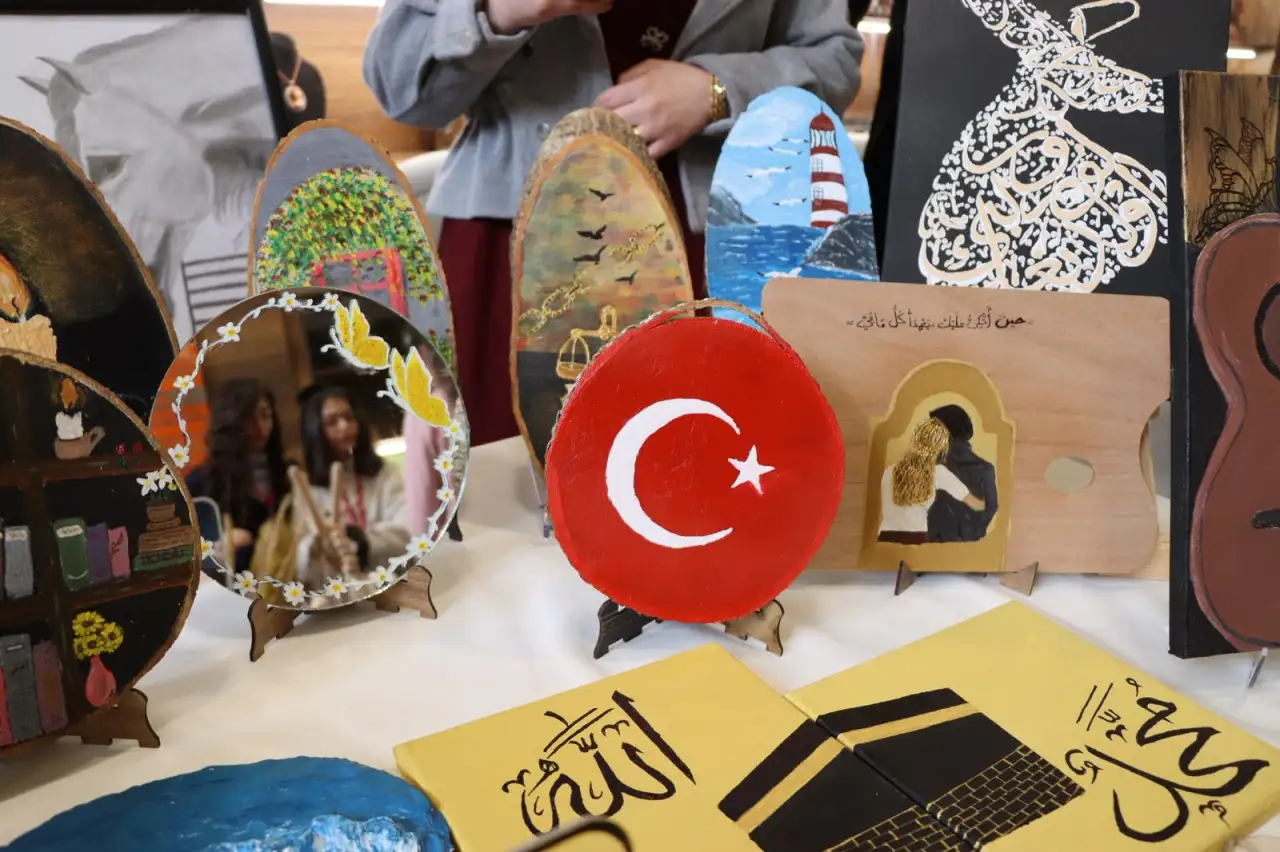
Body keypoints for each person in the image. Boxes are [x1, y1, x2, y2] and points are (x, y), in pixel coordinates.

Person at [363, 0, 864, 447]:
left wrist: (720, 90)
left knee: (708, 466)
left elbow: (835, 60)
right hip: (513, 243)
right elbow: (399, 86)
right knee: (504, 486)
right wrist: (496, 12)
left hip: (710, 239)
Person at [294, 386, 410, 587]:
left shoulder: (384, 473)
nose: (344, 426)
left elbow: (407, 531)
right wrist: (314, 548)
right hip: (339, 594)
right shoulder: (307, 489)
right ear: (315, 432)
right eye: (332, 422)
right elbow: (300, 562)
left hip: (390, 585)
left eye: (349, 417)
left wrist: (360, 541)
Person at [186, 379, 291, 575]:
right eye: (248, 418)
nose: (260, 426)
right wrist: (221, 544)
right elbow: (187, 551)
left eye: (265, 416)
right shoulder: (202, 482)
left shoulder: (288, 473)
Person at [878, 416, 985, 545]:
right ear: (940, 448)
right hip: (915, 539)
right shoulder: (938, 472)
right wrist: (990, 505)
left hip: (885, 537)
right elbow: (973, 503)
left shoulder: (889, 471)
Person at [927, 404, 998, 543]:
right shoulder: (985, 468)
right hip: (968, 545)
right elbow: (990, 508)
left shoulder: (935, 467)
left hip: (934, 544)